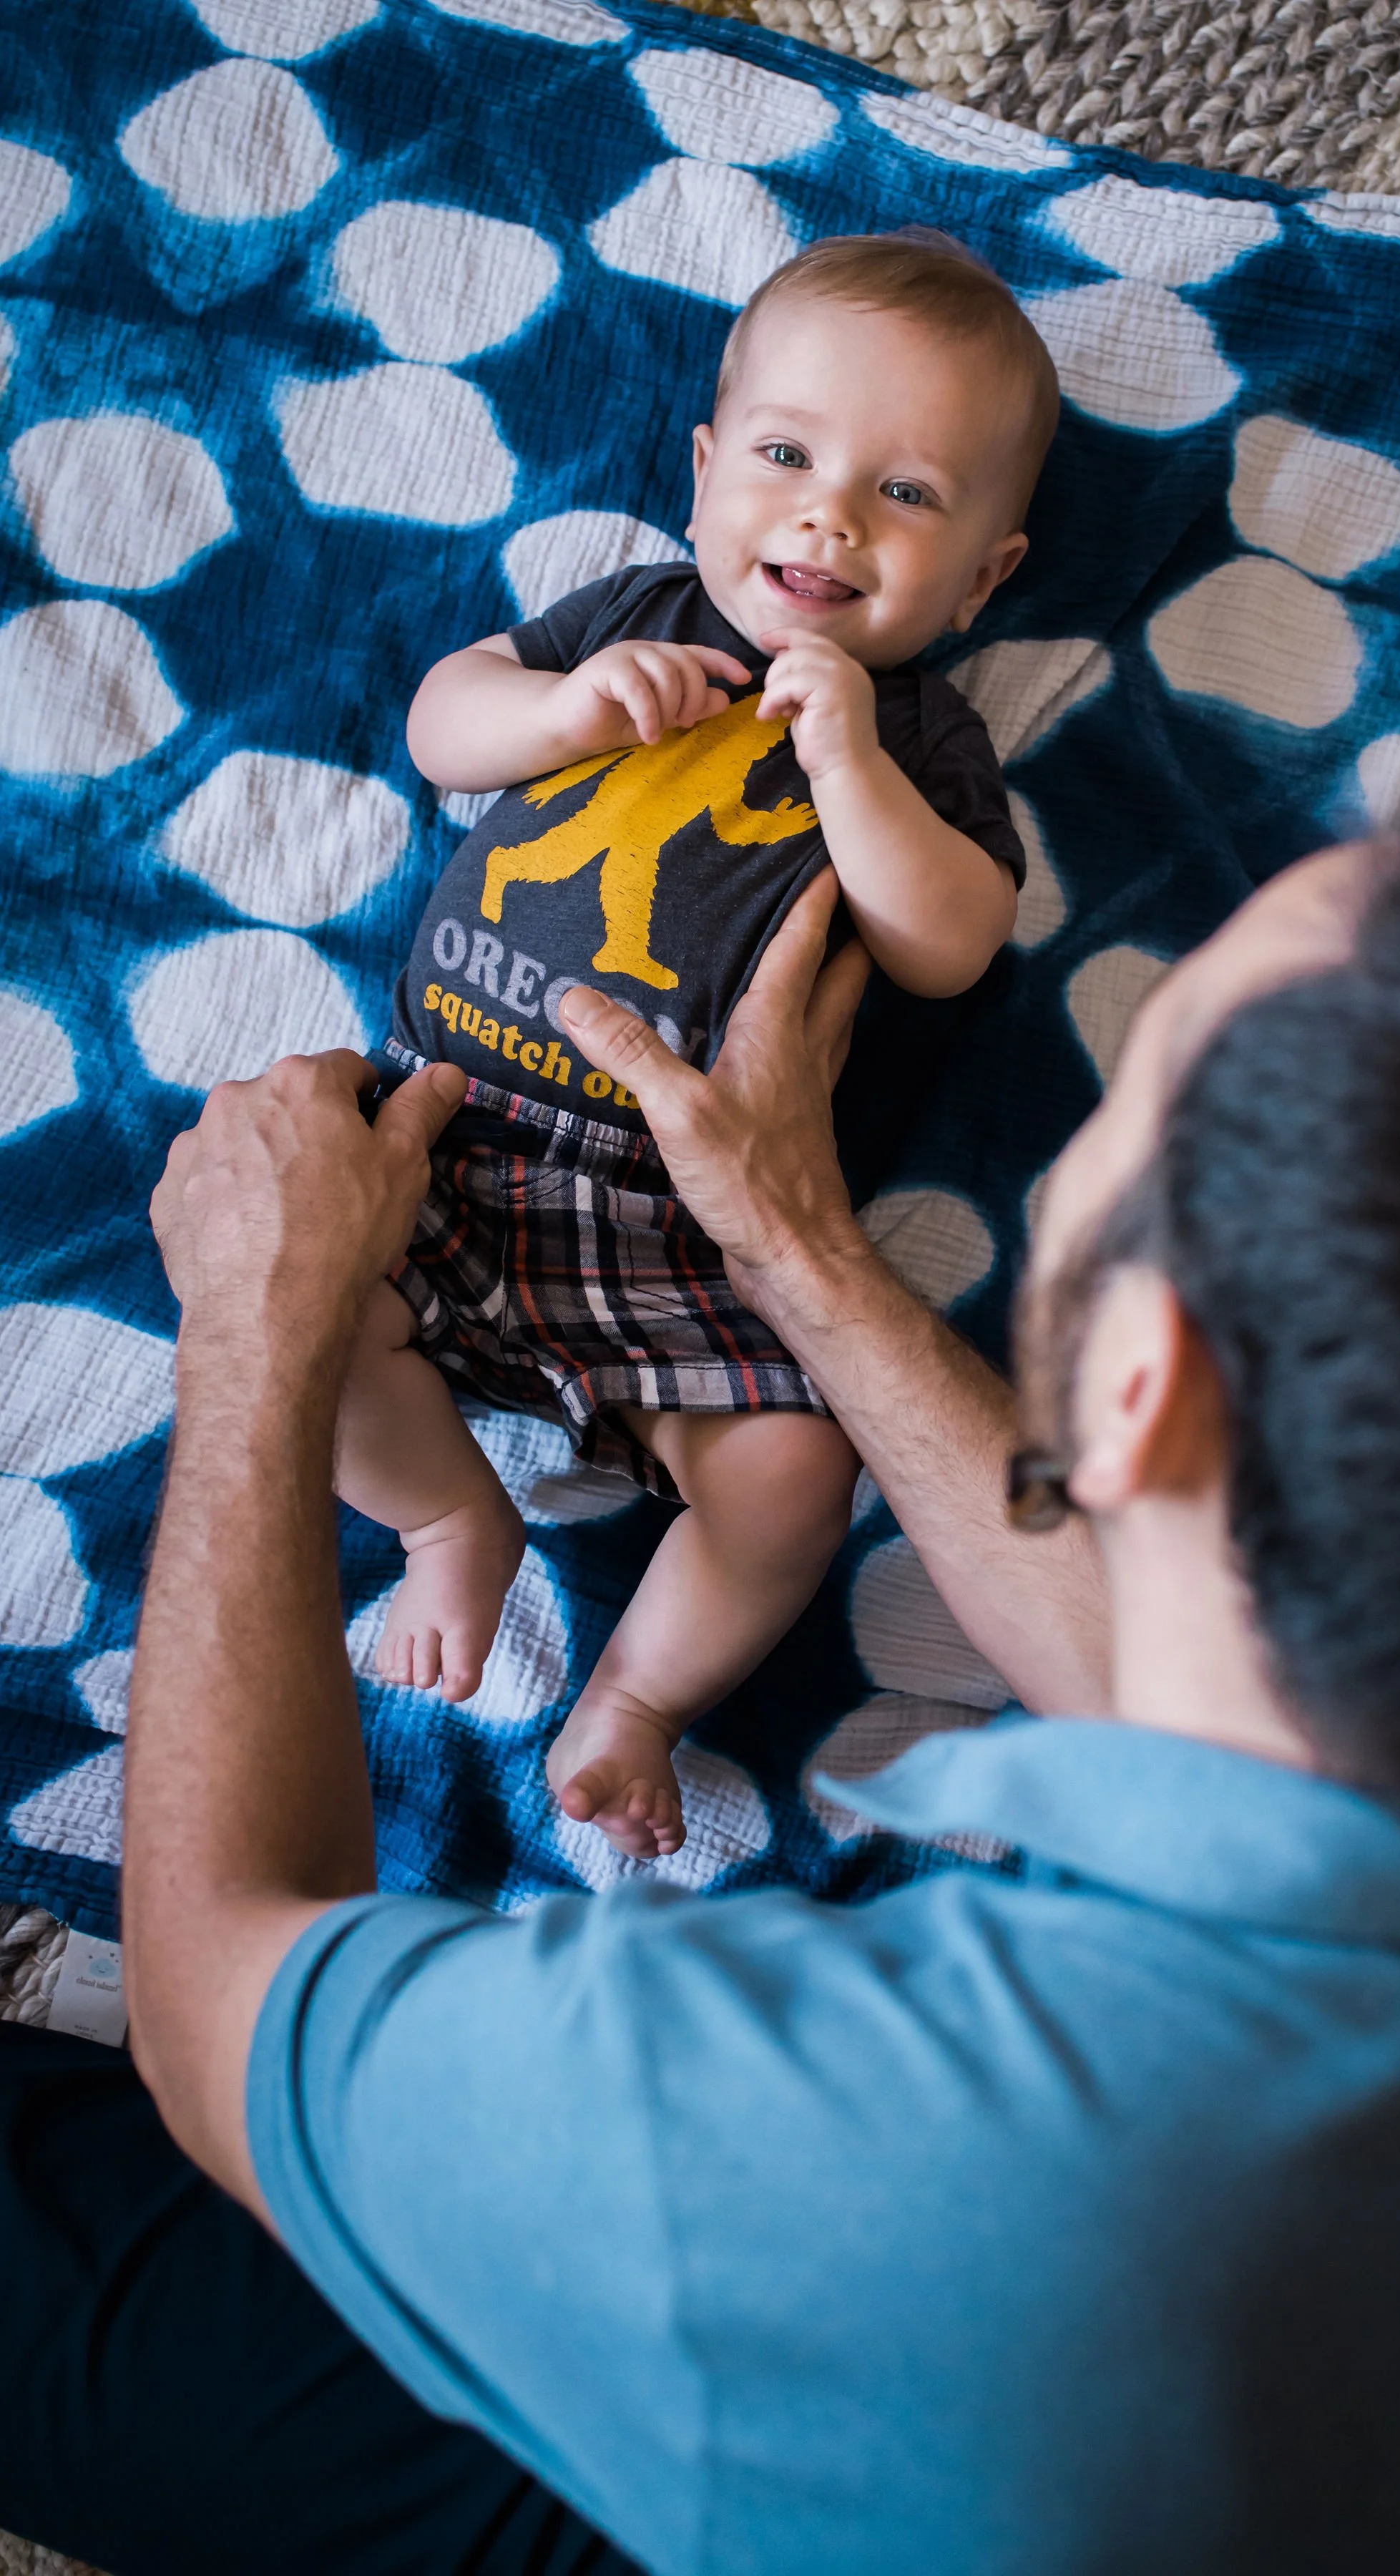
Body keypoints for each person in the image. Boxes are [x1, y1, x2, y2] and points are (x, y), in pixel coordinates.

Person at [9, 711, 1400, 2575]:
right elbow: (1234, 1663)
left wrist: (257, 1341)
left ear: (1139, 1387)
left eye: (1139, 1083)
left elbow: (216, 2001)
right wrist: (795, 1245)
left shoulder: (869, 2157)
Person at [338, 228, 1057, 1862]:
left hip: (689, 1223)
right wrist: (568, 708)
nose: (830, 517)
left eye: (908, 496)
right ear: (705, 463)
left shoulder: (924, 739)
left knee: (793, 1474)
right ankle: (453, 1519)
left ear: (984, 579)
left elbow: (953, 940)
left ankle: (639, 1702)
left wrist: (855, 764)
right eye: (790, 458)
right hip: (439, 1136)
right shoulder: (631, 616)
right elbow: (442, 719)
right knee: (293, 1308)